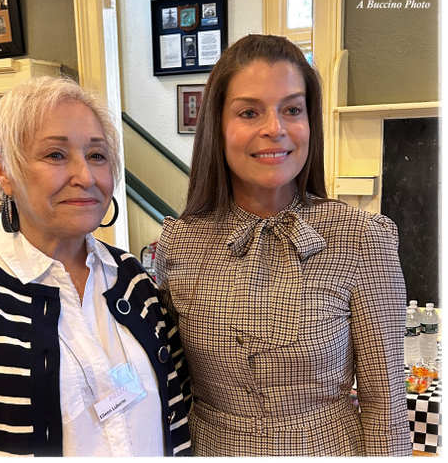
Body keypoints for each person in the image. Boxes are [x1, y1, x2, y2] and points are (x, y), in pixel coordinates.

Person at [154, 34, 412, 457]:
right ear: (218, 126)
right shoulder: (181, 240)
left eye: (292, 109)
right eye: (249, 112)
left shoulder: (363, 238)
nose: (274, 129)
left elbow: (385, 404)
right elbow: (171, 383)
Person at [0, 76, 191, 457]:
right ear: (4, 171)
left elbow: (178, 409)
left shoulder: (132, 279)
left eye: (97, 155)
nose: (86, 176)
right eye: (56, 155)